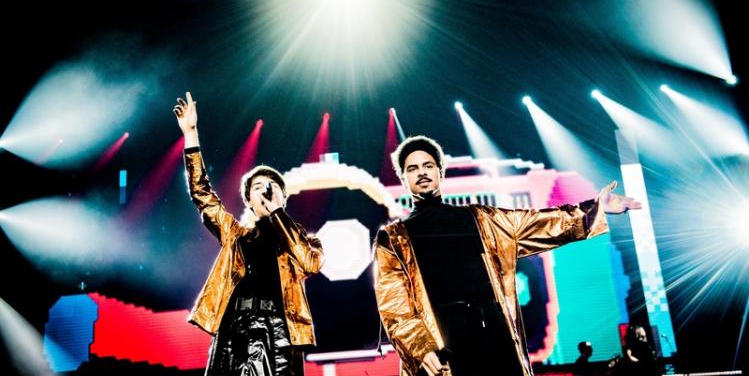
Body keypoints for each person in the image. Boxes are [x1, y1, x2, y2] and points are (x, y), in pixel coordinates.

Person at [373, 135, 642, 376]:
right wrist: (421, 347)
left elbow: (539, 223)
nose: (421, 172)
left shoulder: (480, 219)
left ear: (440, 172)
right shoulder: (394, 239)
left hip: (495, 334)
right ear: (403, 179)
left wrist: (595, 208)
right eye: (412, 168)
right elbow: (395, 306)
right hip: (446, 342)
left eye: (428, 165)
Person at [173, 91, 324, 376]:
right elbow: (202, 194)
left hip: (279, 334)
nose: (265, 190)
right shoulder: (235, 235)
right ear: (249, 202)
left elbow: (310, 262)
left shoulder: (304, 241)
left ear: (282, 197)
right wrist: (191, 135)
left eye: (272, 187)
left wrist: (277, 213)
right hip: (235, 330)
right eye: (258, 187)